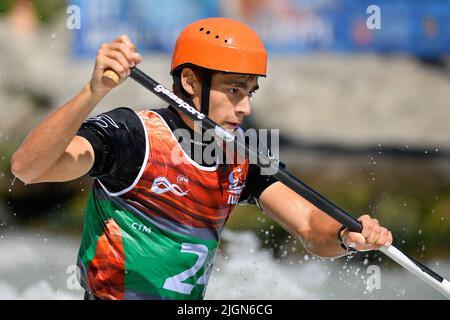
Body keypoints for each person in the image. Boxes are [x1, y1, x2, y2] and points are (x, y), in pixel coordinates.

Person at [11, 17, 393, 300]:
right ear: (192, 82)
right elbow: (28, 168)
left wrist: (348, 236)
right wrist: (92, 93)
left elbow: (310, 227)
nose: (244, 108)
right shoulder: (132, 136)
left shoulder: (242, 153)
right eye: (233, 90)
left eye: (250, 92)